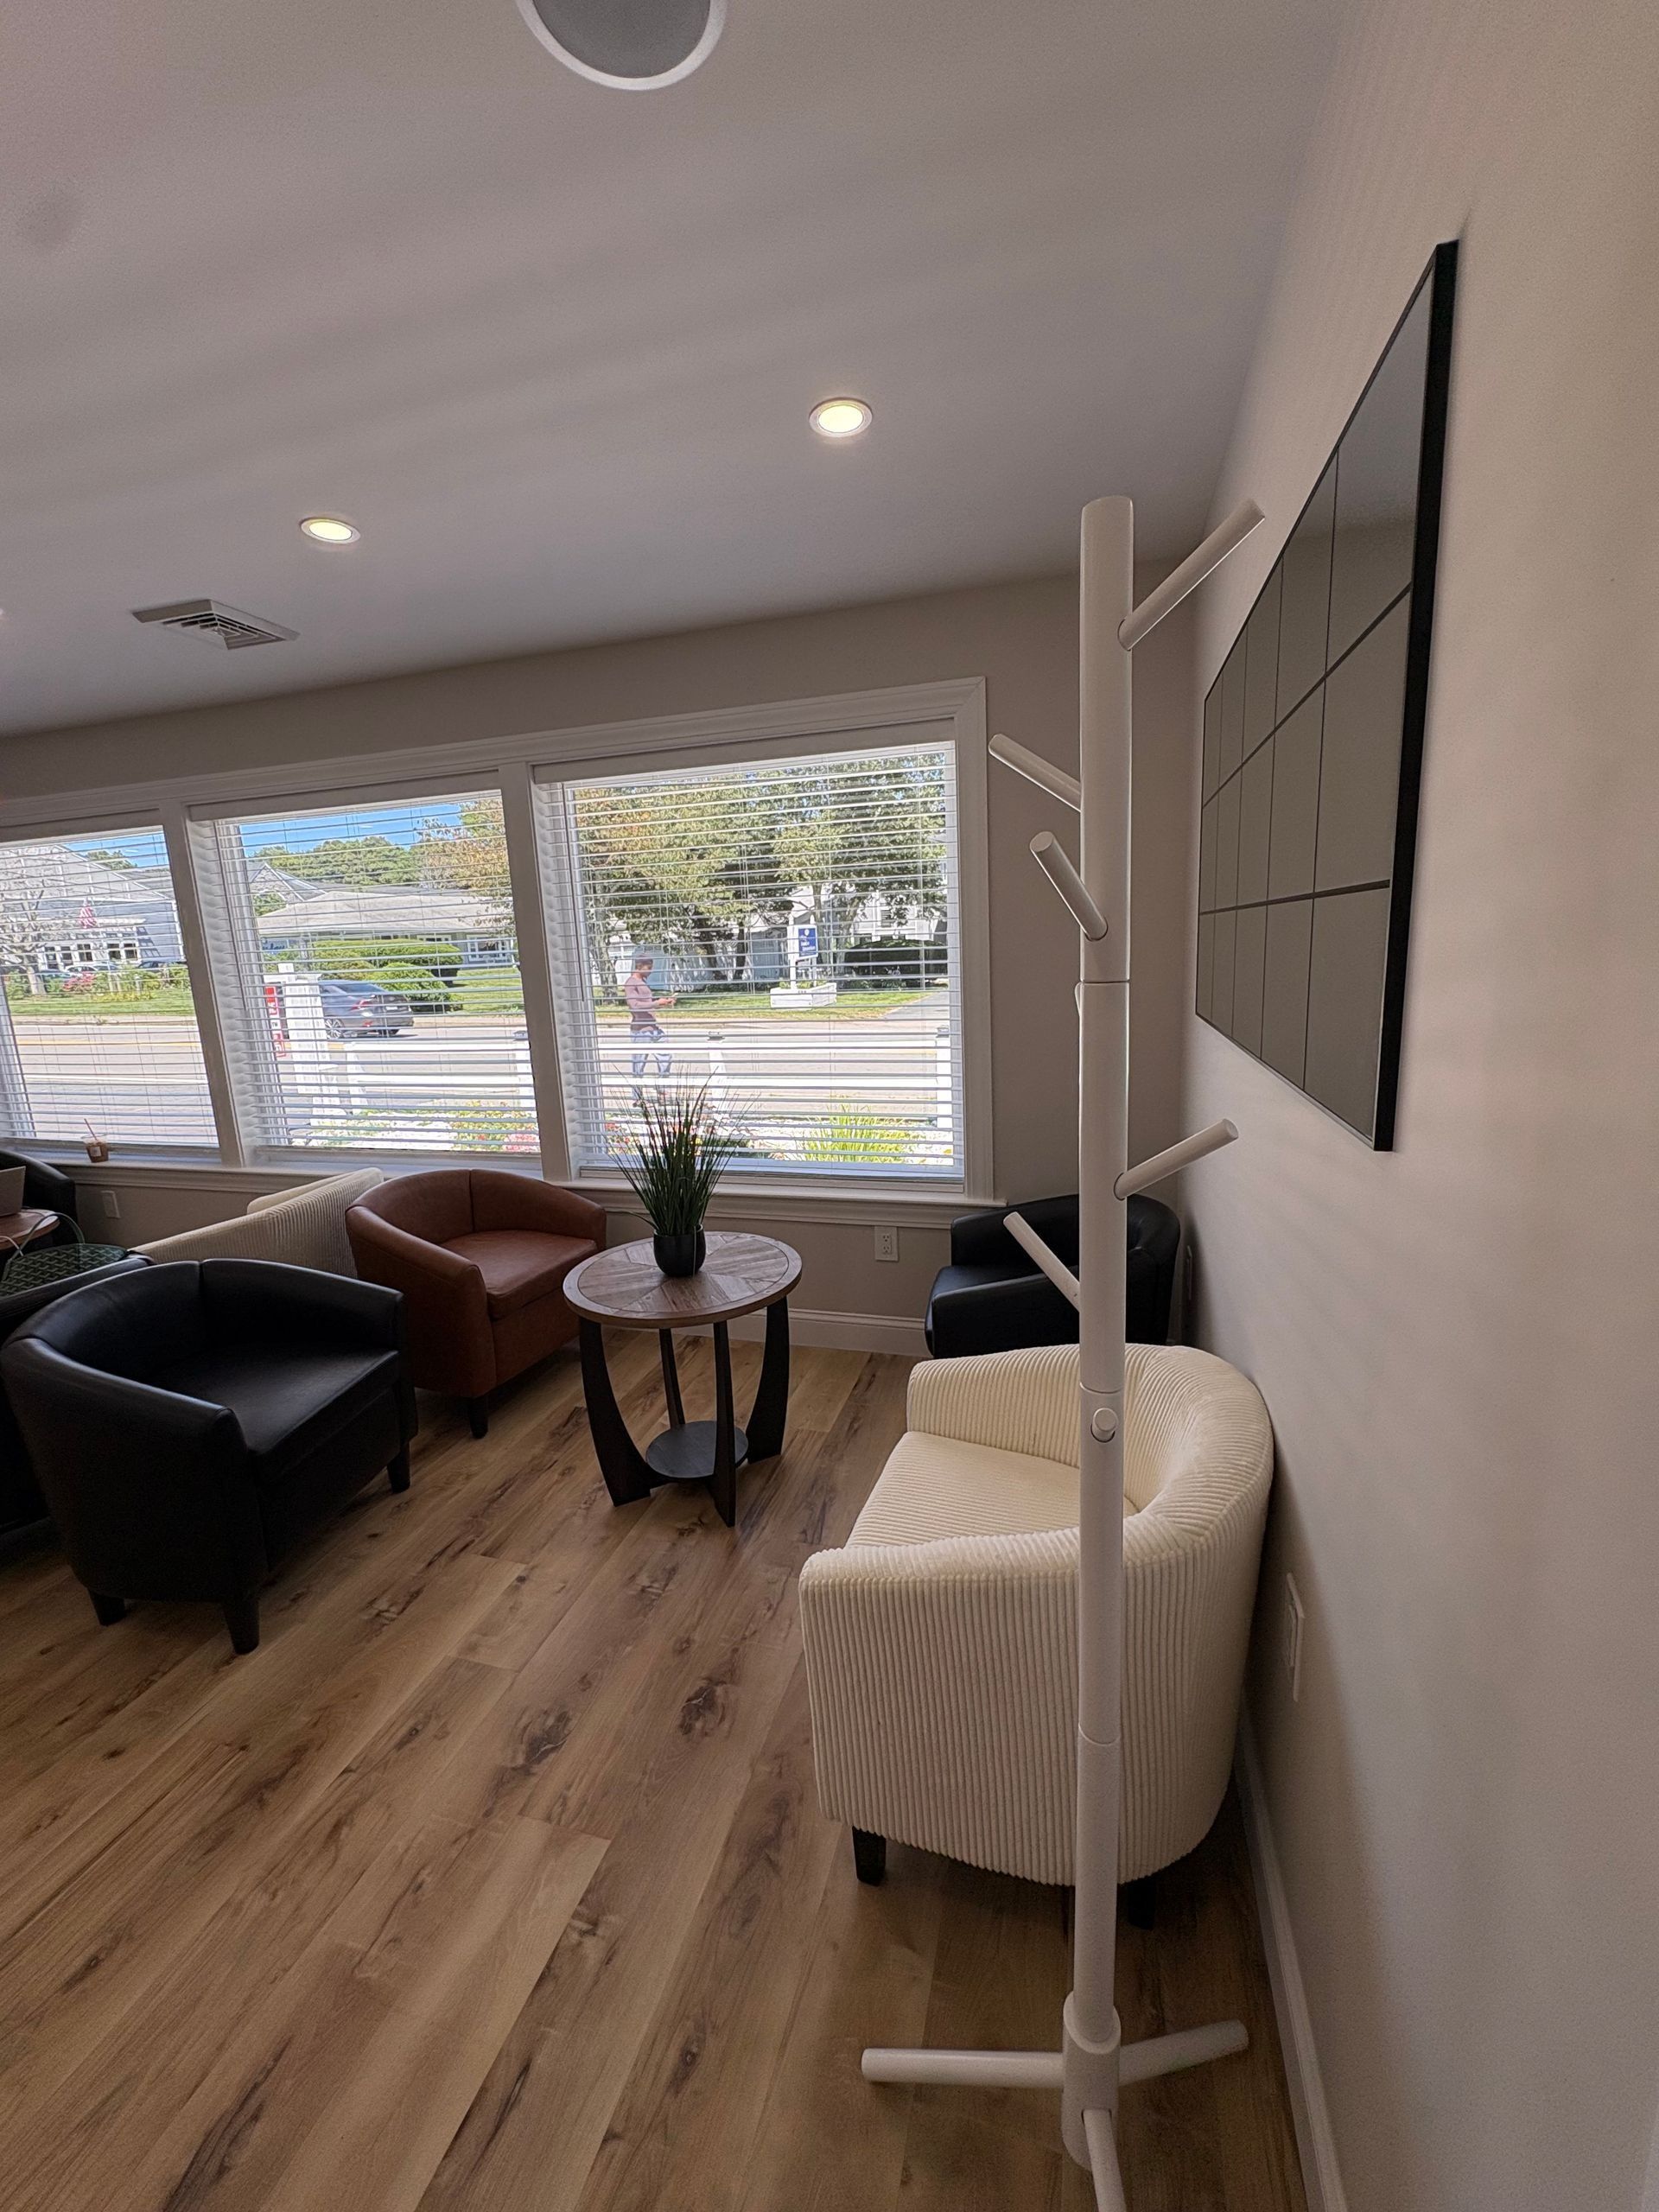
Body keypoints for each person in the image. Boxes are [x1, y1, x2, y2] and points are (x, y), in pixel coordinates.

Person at [624, 955, 675, 1080]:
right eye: (649, 967)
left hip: (653, 1027)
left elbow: (648, 1005)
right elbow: (634, 1005)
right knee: (639, 1065)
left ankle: (662, 1088)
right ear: (640, 966)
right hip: (641, 1030)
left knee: (666, 1056)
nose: (651, 971)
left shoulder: (643, 983)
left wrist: (664, 1002)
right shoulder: (631, 983)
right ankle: (637, 1097)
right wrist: (657, 1003)